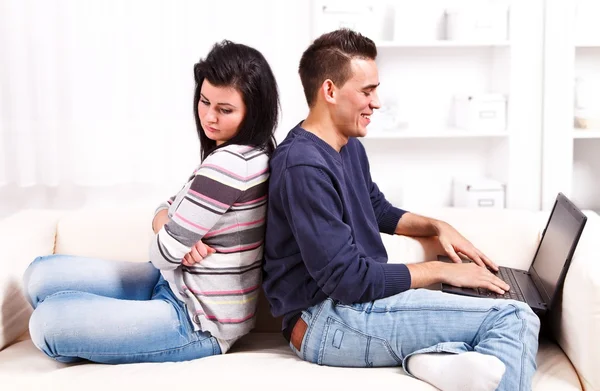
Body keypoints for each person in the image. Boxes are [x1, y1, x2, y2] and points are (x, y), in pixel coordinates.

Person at [262, 29, 539, 391]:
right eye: (367, 91)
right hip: (327, 320)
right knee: (516, 318)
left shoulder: (346, 145)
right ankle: (441, 358)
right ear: (329, 91)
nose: (376, 102)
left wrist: (436, 226)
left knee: (491, 329)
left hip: (353, 309)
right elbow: (349, 281)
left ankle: (438, 361)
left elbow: (374, 207)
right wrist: (441, 270)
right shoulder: (303, 166)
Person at [22, 40, 279, 364]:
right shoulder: (246, 153)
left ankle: (98, 317)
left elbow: (162, 252)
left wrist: (173, 235)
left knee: (47, 323)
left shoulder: (229, 165)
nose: (209, 117)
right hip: (172, 282)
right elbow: (166, 208)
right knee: (40, 274)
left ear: (252, 111)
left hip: (196, 320)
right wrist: (171, 227)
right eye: (204, 101)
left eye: (224, 109)